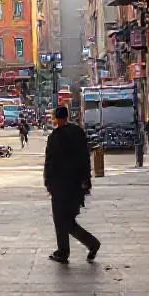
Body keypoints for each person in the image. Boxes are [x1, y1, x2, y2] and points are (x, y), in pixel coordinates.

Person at [44, 106, 101, 264]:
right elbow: (85, 158)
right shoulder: (78, 132)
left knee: (62, 220)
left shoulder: (54, 137)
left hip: (60, 185)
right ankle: (86, 245)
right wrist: (86, 181)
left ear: (56, 118)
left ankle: (70, 250)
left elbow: (49, 163)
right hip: (75, 185)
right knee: (67, 220)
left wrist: (48, 182)